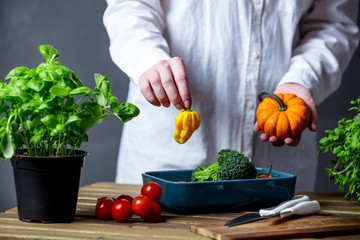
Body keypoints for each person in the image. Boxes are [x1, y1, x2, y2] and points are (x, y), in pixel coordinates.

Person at [103, 0, 359, 191]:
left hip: (276, 161)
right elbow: (130, 5)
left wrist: (304, 78)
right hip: (167, 152)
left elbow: (333, 23)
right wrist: (147, 57)